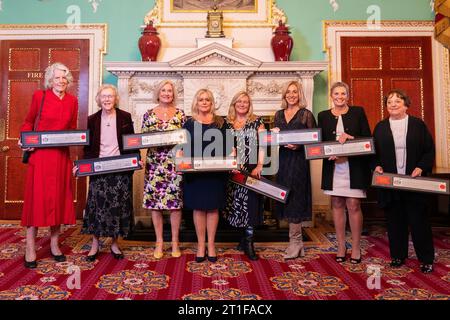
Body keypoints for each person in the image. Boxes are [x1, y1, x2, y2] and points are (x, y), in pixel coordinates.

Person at [19, 62, 78, 268]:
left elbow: (72, 129)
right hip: (41, 157)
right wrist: (25, 140)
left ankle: (54, 244)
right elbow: (28, 121)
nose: (61, 81)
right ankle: (30, 247)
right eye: (57, 77)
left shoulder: (73, 101)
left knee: (58, 200)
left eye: (64, 77)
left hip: (61, 156)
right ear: (50, 80)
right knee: (37, 200)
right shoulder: (40, 96)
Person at [373, 89, 435, 273]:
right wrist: (376, 166)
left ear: (406, 105)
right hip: (390, 183)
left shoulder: (418, 125)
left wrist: (421, 167)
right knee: (394, 221)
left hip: (414, 182)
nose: (393, 104)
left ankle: (426, 259)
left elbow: (429, 150)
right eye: (389, 102)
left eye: (397, 101)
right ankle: (398, 256)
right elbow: (373, 152)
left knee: (419, 221)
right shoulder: (380, 127)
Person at [78, 84, 135, 261]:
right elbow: (87, 148)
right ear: (99, 99)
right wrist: (82, 166)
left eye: (110, 96)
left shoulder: (125, 116)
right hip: (99, 168)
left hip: (120, 168)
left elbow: (132, 142)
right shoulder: (91, 119)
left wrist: (134, 163)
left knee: (117, 207)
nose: (107, 99)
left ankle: (114, 243)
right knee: (97, 207)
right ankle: (95, 244)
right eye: (104, 96)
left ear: (115, 98)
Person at [318, 81, 371, 264]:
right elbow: (320, 142)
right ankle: (341, 246)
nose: (340, 97)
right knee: (337, 203)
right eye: (336, 94)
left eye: (343, 94)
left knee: (354, 204)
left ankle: (356, 247)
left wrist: (351, 139)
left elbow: (367, 139)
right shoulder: (323, 116)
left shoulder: (358, 112)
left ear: (347, 96)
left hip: (354, 167)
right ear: (331, 96)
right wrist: (328, 153)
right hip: (333, 168)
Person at [181, 88, 230, 263]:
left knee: (213, 208)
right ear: (196, 102)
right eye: (201, 99)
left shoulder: (220, 122)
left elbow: (229, 145)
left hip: (215, 172)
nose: (204, 102)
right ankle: (201, 245)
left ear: (211, 103)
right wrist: (179, 158)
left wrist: (232, 155)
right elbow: (182, 147)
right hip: (196, 174)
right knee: (199, 208)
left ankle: (211, 244)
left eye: (207, 99)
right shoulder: (188, 123)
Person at [141, 80, 186, 259]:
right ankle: (159, 242)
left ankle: (175, 242)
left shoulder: (181, 114)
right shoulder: (148, 114)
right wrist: (142, 158)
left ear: (173, 94)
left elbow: (185, 140)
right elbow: (142, 139)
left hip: (175, 164)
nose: (167, 93)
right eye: (163, 90)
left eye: (170, 91)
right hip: (154, 164)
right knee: (155, 205)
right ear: (158, 93)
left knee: (175, 205)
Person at [272, 81, 317, 260]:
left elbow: (315, 141)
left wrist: (299, 146)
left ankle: (295, 242)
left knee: (297, 198)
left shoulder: (306, 114)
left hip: (299, 161)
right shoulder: (278, 115)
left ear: (299, 94)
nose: (291, 95)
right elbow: (275, 139)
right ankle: (296, 244)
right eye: (288, 92)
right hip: (283, 161)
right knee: (286, 195)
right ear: (284, 95)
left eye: (295, 92)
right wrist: (273, 135)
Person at [223, 91, 265, 261]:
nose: (242, 104)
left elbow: (263, 145)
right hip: (233, 170)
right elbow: (223, 145)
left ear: (249, 104)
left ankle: (249, 242)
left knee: (251, 205)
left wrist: (260, 165)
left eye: (245, 102)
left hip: (251, 169)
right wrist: (230, 162)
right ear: (234, 103)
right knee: (236, 204)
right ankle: (242, 238)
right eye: (239, 101)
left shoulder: (257, 121)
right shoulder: (226, 123)